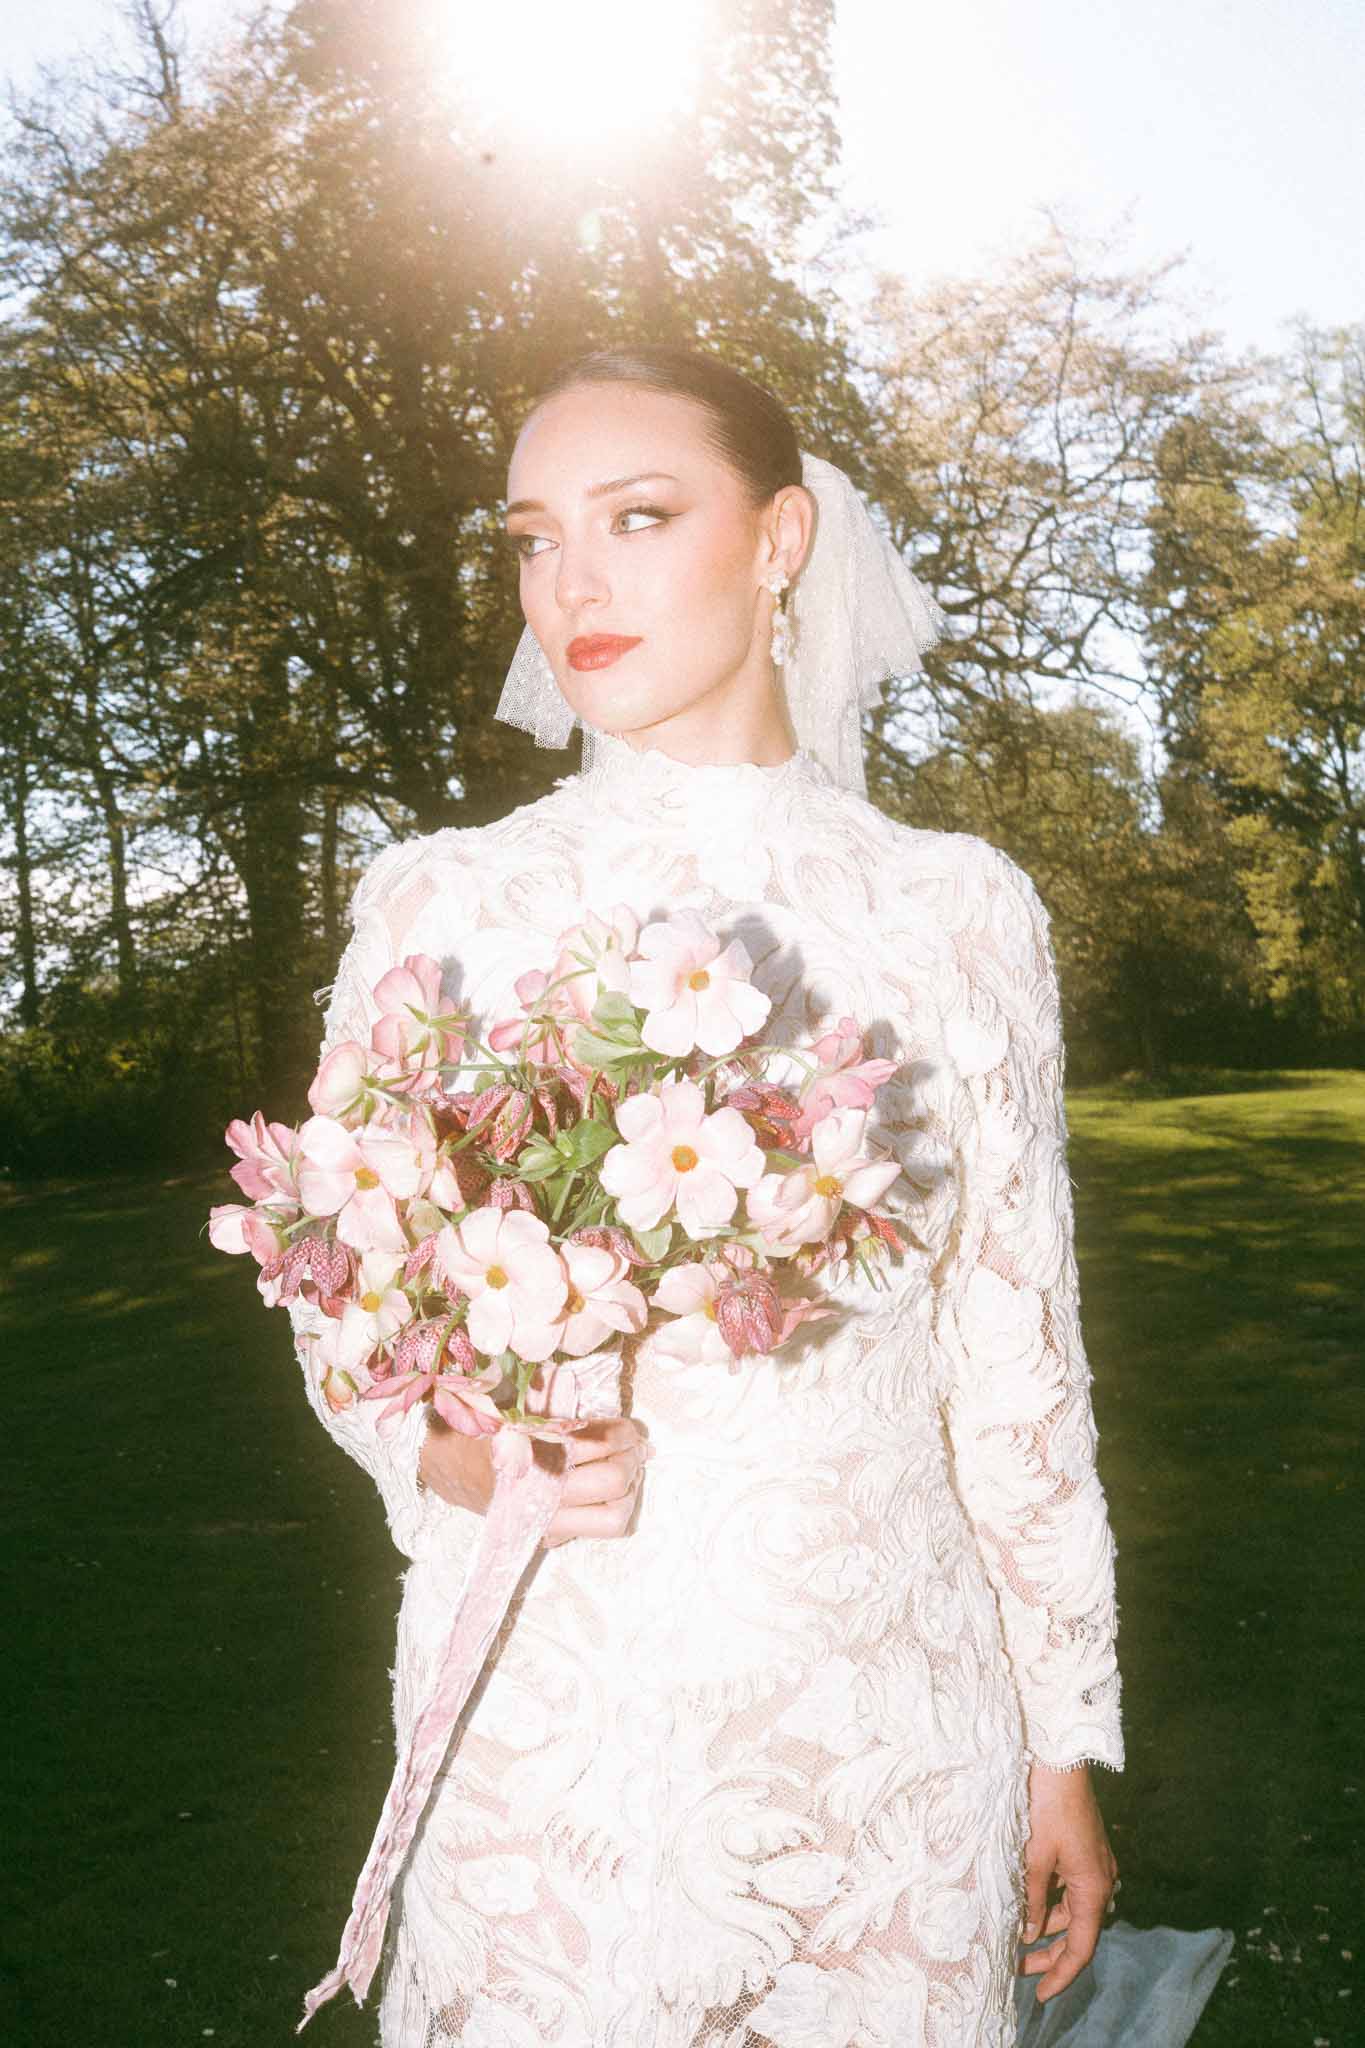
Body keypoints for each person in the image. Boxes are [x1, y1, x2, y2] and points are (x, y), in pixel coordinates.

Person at [293, 344, 1129, 2046]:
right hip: (545, 1708)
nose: (569, 584)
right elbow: (340, 1294)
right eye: (532, 538)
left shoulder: (955, 910)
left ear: (780, 538)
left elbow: (1016, 1358)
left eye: (637, 517)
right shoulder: (440, 901)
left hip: (876, 1722)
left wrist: (1063, 1745)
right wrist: (457, 1454)